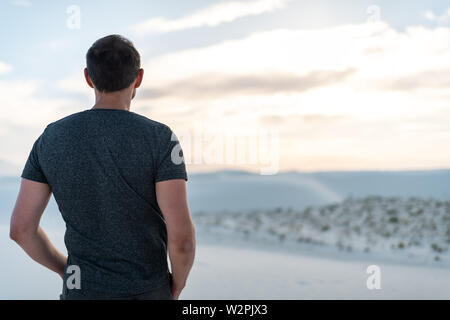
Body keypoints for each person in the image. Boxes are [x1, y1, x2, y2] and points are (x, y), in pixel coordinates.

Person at [9, 34, 196, 300]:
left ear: (88, 77)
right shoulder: (160, 138)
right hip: (148, 292)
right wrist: (176, 286)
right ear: (139, 78)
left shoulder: (50, 138)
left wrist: (66, 270)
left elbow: (21, 230)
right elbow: (183, 240)